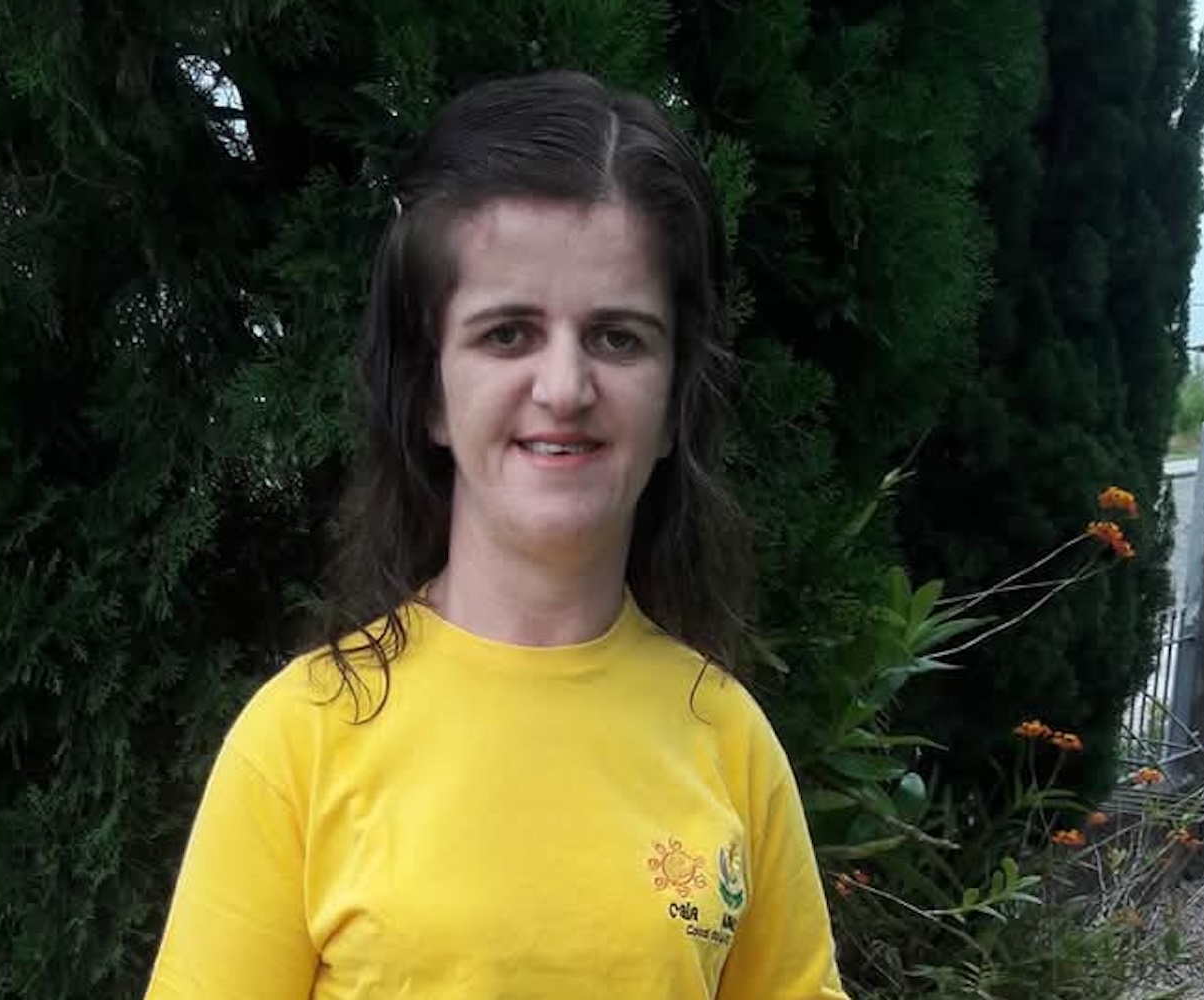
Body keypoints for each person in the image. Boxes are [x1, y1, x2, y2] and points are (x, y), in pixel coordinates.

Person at [145, 70, 848, 1000]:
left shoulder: (729, 742)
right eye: (508, 334)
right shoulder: (300, 741)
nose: (564, 388)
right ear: (431, 395)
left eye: (618, 338)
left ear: (675, 403)